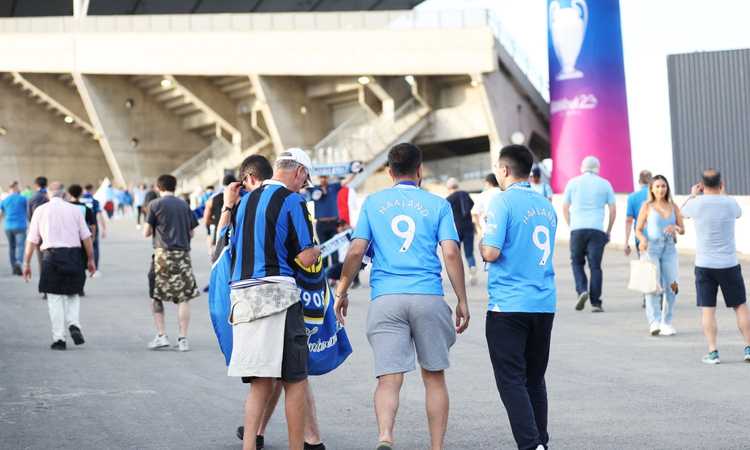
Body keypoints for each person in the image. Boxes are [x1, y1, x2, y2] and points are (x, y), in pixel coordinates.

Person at [334, 142, 470, 450]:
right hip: (427, 296)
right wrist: (461, 299)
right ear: (420, 171)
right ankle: (436, 447)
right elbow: (450, 251)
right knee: (434, 376)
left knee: (388, 378)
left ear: (389, 172)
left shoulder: (373, 202)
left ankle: (385, 436)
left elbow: (356, 250)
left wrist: (341, 291)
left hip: (386, 298)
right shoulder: (438, 205)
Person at [225, 148, 320, 450]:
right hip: (277, 293)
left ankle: (249, 446)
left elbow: (233, 248)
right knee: (295, 378)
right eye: (304, 179)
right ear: (299, 172)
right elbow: (305, 258)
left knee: (260, 381)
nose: (303, 185)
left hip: (241, 295)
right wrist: (318, 251)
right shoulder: (293, 201)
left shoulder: (244, 202)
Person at [480, 144, 557, 450]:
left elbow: (491, 251)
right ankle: (541, 441)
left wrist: (483, 241)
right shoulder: (545, 205)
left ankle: (530, 444)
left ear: (505, 170)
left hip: (509, 304)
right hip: (543, 302)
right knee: (535, 379)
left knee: (511, 379)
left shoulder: (503, 202)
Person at [680, 169, 750, 364]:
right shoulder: (729, 203)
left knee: (708, 309)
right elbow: (738, 213)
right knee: (740, 306)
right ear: (721, 183)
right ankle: (749, 348)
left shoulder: (696, 204)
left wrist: (693, 194)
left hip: (704, 264)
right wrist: (723, 193)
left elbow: (680, 212)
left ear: (702, 185)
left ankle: (713, 352)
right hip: (729, 263)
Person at [22, 182, 96, 349]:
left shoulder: (40, 210)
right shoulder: (75, 210)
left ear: (48, 195)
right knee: (73, 294)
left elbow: (32, 240)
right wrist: (90, 260)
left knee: (54, 298)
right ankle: (74, 323)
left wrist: (26, 263)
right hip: (74, 256)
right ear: (64, 195)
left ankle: (59, 339)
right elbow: (86, 237)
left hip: (51, 256)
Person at [144, 174, 200, 352]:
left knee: (156, 294)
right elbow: (192, 233)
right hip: (183, 255)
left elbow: (146, 232)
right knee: (183, 297)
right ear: (174, 187)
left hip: (162, 255)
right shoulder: (184, 205)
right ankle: (183, 339)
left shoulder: (154, 205)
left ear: (158, 187)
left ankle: (162, 336)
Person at [562, 156, 616, 313]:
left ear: (582, 167)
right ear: (597, 168)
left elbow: (565, 207)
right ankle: (596, 302)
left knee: (577, 262)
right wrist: (608, 230)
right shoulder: (605, 184)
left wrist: (572, 225)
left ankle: (582, 290)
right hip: (597, 230)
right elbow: (613, 209)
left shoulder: (572, 183)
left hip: (577, 228)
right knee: (595, 267)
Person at [635, 175, 684, 336]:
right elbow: (638, 229)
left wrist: (675, 228)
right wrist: (642, 240)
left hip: (669, 248)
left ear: (667, 188)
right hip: (652, 248)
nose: (661, 189)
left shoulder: (673, 206)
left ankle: (667, 322)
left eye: (663, 186)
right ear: (652, 189)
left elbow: (682, 229)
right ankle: (654, 322)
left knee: (673, 286)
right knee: (652, 286)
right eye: (657, 186)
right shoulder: (647, 206)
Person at [445, 177, 477, 286]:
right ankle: (472, 268)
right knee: (469, 252)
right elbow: (471, 205)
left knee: (456, 253)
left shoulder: (448, 199)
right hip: (468, 226)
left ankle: (459, 276)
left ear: (448, 187)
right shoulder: (465, 194)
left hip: (456, 228)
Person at [311, 175, 342, 267]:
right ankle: (325, 275)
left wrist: (354, 170)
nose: (323, 179)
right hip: (321, 224)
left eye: (325, 177)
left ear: (328, 178)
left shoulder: (333, 187)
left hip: (333, 223)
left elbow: (345, 182)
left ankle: (334, 276)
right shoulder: (314, 189)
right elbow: (302, 188)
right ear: (318, 179)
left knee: (335, 250)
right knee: (323, 249)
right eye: (321, 177)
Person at [0, 181, 28, 275]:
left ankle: (13, 267)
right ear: (17, 189)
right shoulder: (23, 199)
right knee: (20, 246)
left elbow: (2, 214)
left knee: (11, 247)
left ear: (10, 189)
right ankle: (18, 263)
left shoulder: (5, 200)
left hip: (8, 226)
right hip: (20, 226)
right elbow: (27, 211)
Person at [81, 184, 107, 275]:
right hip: (93, 225)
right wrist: (104, 228)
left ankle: (83, 267)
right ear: (92, 190)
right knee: (95, 247)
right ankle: (94, 269)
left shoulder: (80, 200)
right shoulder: (95, 201)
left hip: (82, 226)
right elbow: (100, 216)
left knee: (82, 246)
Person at [472, 173, 501, 238]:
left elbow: (474, 213)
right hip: (504, 230)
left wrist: (479, 229)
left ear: (488, 183)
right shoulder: (504, 193)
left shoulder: (483, 195)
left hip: (488, 231)